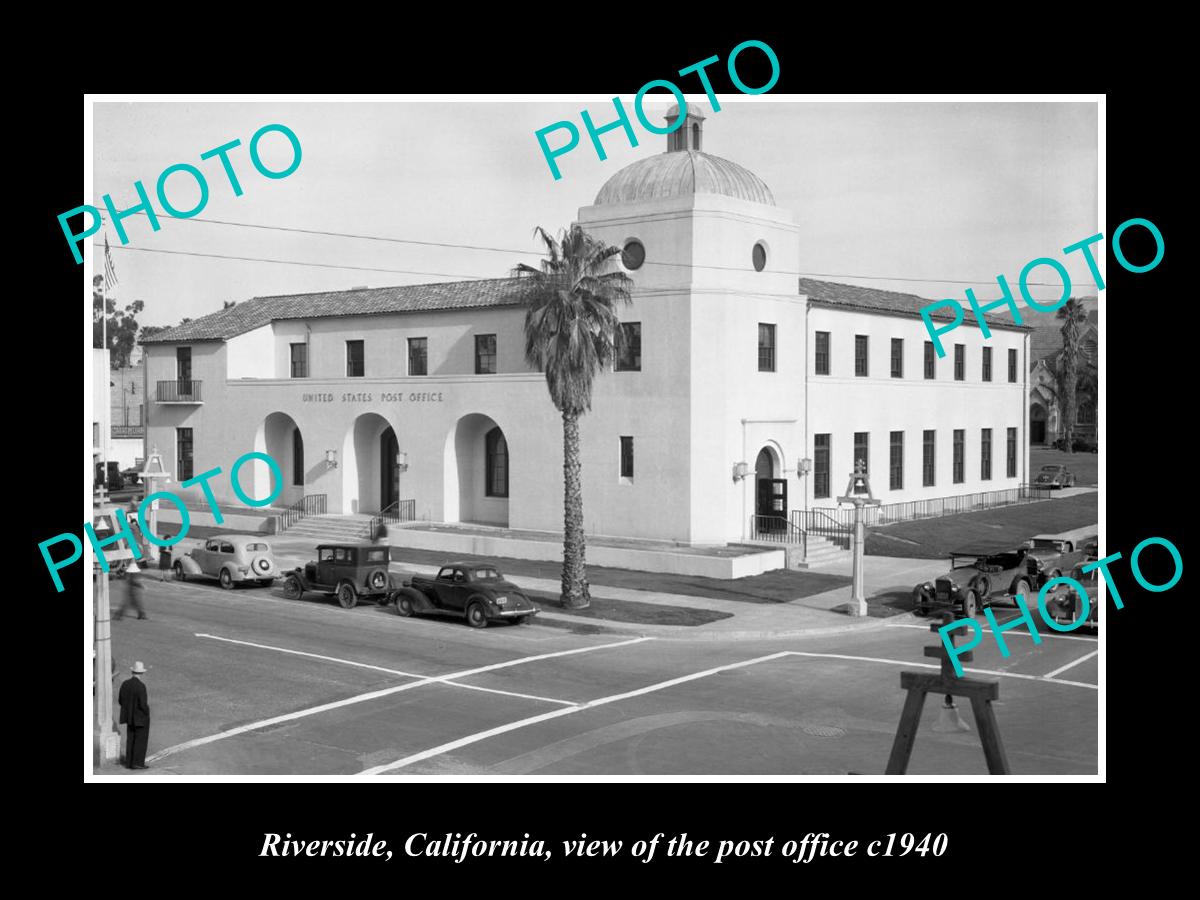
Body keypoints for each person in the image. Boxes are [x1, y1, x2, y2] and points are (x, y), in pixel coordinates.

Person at [118, 661, 151, 769]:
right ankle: (137, 763)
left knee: (130, 738)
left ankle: (129, 762)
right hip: (140, 718)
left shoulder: (125, 684)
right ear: (141, 673)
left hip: (129, 717)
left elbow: (120, 700)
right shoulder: (141, 686)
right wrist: (147, 712)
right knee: (140, 739)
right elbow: (143, 704)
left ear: (132, 671)